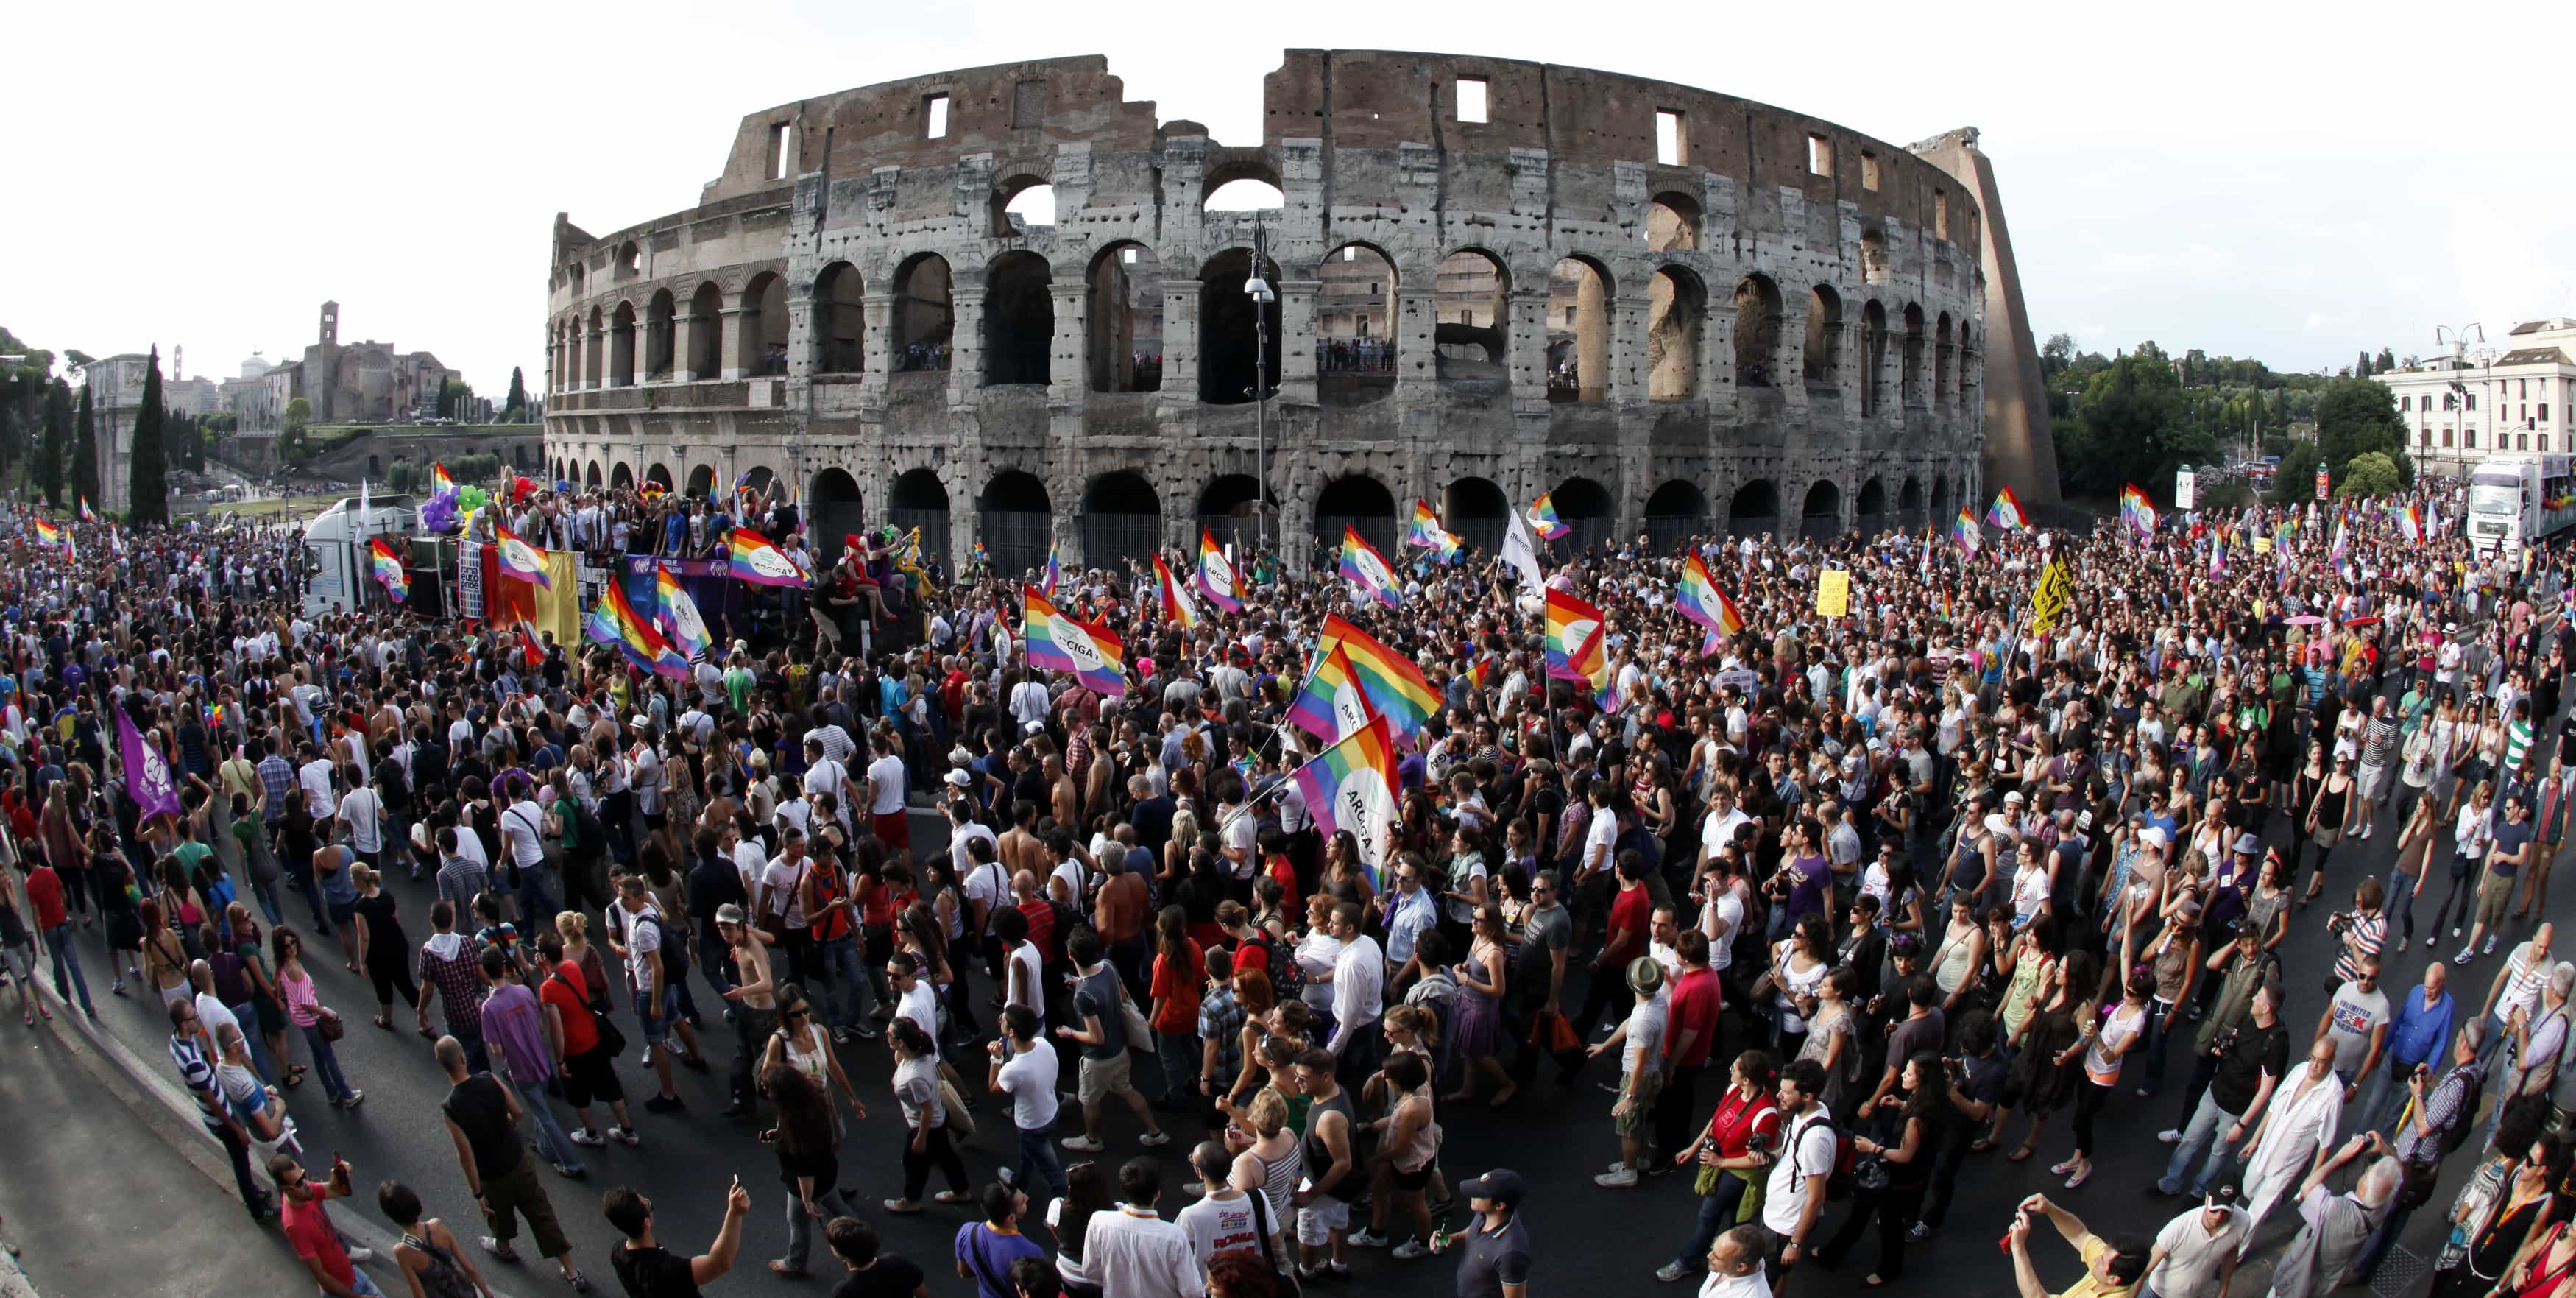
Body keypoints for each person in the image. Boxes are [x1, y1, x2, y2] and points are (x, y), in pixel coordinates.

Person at [433, 1034, 588, 1290]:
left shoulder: (450, 1108)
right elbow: (517, 1111)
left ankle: (503, 1247)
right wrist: (507, 1124)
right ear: (463, 1058)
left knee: (499, 1214)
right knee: (540, 1212)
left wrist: (476, 1193)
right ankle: (571, 1270)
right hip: (518, 1160)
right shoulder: (489, 1079)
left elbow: (465, 1155)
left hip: (491, 1174)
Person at [1055, 926, 1170, 1153]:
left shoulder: (1083, 997)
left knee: (1088, 1101)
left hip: (1098, 1058)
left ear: (1070, 955)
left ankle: (1093, 1139)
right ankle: (1155, 1131)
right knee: (1126, 1088)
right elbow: (1118, 995)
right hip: (1120, 1049)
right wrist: (1081, 982)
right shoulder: (1108, 967)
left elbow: (1096, 1037)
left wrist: (1069, 1032)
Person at [2237, 1037, 2347, 1255]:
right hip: (2266, 1150)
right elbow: (2274, 1106)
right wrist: (2255, 1139)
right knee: (2248, 1188)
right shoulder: (2299, 1071)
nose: (2314, 1066)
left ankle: (2236, 1252)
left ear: (2332, 1061)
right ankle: (2276, 1199)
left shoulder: (2334, 1096)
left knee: (2254, 1214)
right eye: (2312, 1058)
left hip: (2287, 1163)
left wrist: (2313, 1178)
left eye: (2321, 1061)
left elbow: (2325, 1142)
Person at [2268, 1141, 2399, 1298]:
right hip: (2322, 1286)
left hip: (2295, 1280)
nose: (2364, 1174)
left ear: (2364, 1186)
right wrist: (2384, 1148)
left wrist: (2339, 1158)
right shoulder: (2381, 1210)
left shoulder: (2335, 1211)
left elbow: (2307, 1187)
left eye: (2366, 1173)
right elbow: (2395, 1177)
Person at [762, 1062, 857, 1277]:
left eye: (768, 1088)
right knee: (835, 1203)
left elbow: (804, 1171)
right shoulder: (812, 1104)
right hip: (828, 1171)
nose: (765, 1091)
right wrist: (780, 1135)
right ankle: (857, 1233)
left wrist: (806, 1200)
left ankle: (795, 1262)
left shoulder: (796, 1126)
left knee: (797, 1221)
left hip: (809, 1185)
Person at [1080, 1157, 1206, 1298]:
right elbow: (1192, 1292)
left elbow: (1091, 1272)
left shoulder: (1099, 1221)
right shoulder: (1175, 1237)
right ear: (1157, 1194)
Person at [602, 1180, 751, 1298]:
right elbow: (719, 1263)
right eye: (648, 1205)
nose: (649, 1203)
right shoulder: (665, 1270)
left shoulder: (617, 1253)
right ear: (646, 1223)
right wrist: (735, 1213)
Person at [1761, 1058, 1838, 1286]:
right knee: (1779, 1273)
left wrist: (1795, 1243)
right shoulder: (1807, 1113)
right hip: (1780, 1213)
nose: (1779, 1096)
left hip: (1785, 1221)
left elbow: (1816, 1197)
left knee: (1769, 1279)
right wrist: (1769, 1157)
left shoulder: (1815, 1139)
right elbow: (1789, 1155)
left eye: (1786, 1093)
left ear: (1807, 1097)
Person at [885, 1018, 974, 1213]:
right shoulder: (921, 1055)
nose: (887, 1036)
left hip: (926, 1125)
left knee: (913, 1163)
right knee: (946, 1156)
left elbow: (927, 1110)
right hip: (938, 1120)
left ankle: (911, 1201)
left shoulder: (915, 1077)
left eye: (889, 1034)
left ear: (901, 1042)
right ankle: (961, 1190)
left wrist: (920, 1138)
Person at [1292, 1046, 1359, 1282]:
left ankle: (1305, 1272)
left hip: (1324, 1185)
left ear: (1326, 1077)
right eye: (1297, 1075)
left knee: (1308, 1232)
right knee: (1340, 1222)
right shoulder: (1333, 1091)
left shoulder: (1330, 1117)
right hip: (1334, 1185)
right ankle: (1339, 1267)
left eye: (1303, 1077)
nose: (1297, 1081)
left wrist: (1312, 1194)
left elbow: (1342, 1163)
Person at [275, 1152, 384, 1298]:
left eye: (304, 1176)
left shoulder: (306, 1192)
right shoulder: (294, 1226)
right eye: (299, 1183)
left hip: (353, 1274)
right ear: (287, 1189)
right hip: (343, 1292)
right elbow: (322, 1277)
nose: (306, 1184)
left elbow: (335, 1190)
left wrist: (339, 1175)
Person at [990, 1003, 1070, 1199]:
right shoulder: (1043, 1045)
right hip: (1050, 1112)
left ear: (1011, 1033)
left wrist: (996, 1060)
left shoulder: (1014, 1069)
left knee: (1051, 1171)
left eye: (1004, 1019)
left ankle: (1064, 1208)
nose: (1001, 1018)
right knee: (1029, 1153)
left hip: (1032, 1125)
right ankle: (1020, 1183)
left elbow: (994, 1087)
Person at [2004, 1193, 2151, 1298]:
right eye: (2103, 1253)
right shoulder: (2112, 1266)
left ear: (2113, 1279)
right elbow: (2079, 1235)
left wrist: (2018, 1247)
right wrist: (2050, 1209)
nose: (2097, 1258)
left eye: (2102, 1261)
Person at [378, 1179, 500, 1298]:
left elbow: (419, 1294)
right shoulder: (437, 1226)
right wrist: (486, 1292)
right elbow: (469, 1268)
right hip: (463, 1292)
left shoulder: (402, 1252)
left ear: (391, 1215)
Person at [1173, 1140, 1260, 1275]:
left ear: (1200, 1172)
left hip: (1212, 1288)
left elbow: (1175, 1252)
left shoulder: (1190, 1215)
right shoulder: (1257, 1198)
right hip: (1249, 1281)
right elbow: (1274, 1240)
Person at [2137, 1193, 2247, 1298]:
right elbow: (2145, 1270)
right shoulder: (2178, 1228)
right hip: (2155, 1293)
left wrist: (2222, 1292)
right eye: (2214, 1210)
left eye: (2225, 1212)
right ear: (2207, 1197)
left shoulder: (2243, 1222)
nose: (2218, 1217)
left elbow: (2231, 1251)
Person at [1451, 1168, 1534, 1298]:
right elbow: (1473, 1230)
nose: (1472, 1196)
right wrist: (1453, 1238)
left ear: (1500, 1206)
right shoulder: (1485, 1213)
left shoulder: (1511, 1253)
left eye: (1480, 1195)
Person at [958, 1181, 1047, 1298]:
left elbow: (963, 1273)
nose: (1027, 1198)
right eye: (1022, 1202)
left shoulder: (966, 1232)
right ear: (1011, 1218)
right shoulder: (1032, 1252)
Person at [827, 1216, 930, 1298]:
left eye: (832, 1245)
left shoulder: (844, 1290)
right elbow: (922, 1293)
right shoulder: (896, 1261)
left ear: (844, 1256)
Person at [1696, 1224, 1774, 1298]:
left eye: (1716, 1257)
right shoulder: (1734, 1261)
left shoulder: (1753, 1295)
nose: (1709, 1256)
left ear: (1740, 1267)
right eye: (1713, 1247)